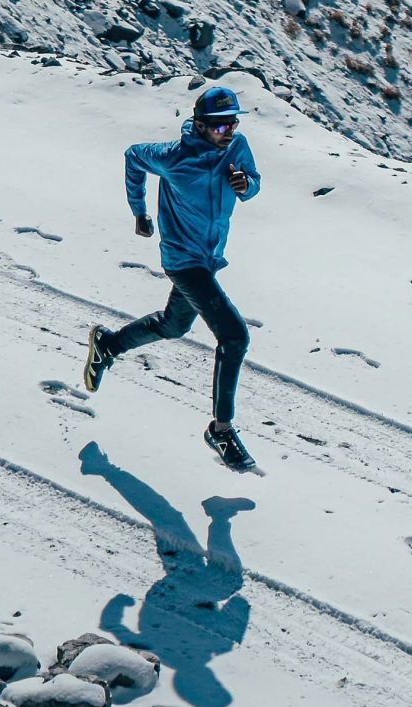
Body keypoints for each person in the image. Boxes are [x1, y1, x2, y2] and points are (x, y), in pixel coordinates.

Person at [83, 86, 261, 472]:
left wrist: (247, 186)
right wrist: (139, 212)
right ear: (199, 125)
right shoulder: (173, 156)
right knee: (235, 335)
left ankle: (109, 345)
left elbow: (254, 180)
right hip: (183, 260)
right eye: (218, 126)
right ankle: (222, 429)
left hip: (210, 257)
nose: (227, 130)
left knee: (173, 325)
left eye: (232, 122)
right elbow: (132, 156)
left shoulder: (236, 145)